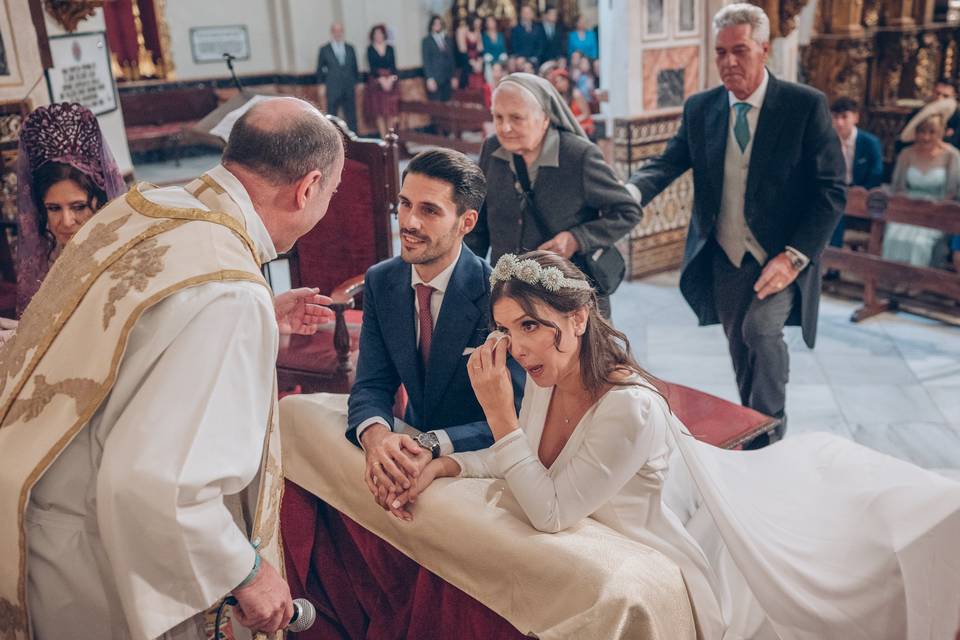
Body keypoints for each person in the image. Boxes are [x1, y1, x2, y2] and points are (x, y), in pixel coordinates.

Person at [387, 250, 960, 640]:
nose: (516, 347)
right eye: (507, 330)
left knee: (859, 560)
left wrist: (497, 413)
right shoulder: (549, 377)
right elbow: (524, 458)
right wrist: (446, 464)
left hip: (686, 549)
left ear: (580, 317)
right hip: (615, 514)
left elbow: (552, 510)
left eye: (531, 326)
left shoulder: (628, 408)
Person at [1, 97, 345, 640]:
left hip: (33, 509)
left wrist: (250, 327)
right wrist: (249, 573)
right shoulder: (228, 292)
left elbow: (117, 332)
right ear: (308, 188)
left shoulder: (145, 208)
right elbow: (157, 485)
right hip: (92, 559)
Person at [628, 4, 845, 448]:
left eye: (739, 51)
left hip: (781, 255)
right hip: (725, 255)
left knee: (760, 331)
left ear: (764, 50)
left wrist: (794, 257)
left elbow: (831, 191)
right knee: (738, 346)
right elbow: (666, 164)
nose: (728, 62)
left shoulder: (804, 106)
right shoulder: (701, 108)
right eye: (720, 52)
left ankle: (771, 432)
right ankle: (753, 428)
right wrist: (628, 193)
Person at [346, 148, 524, 515]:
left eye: (429, 210)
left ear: (467, 222)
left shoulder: (500, 295)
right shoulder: (382, 281)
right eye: (405, 204)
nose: (408, 222)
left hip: (478, 462)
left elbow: (519, 413)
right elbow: (371, 384)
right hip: (408, 445)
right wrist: (378, 441)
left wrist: (432, 445)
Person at [465, 72, 641, 318]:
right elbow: (479, 225)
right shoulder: (492, 149)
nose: (505, 128)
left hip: (569, 302)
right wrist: (467, 282)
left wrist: (576, 238)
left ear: (545, 119)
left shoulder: (578, 156)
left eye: (516, 118)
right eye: (498, 117)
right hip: (511, 300)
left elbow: (628, 211)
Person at [15, 102, 126, 315]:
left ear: (99, 202)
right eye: (54, 208)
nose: (66, 221)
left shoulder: (118, 256)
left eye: (78, 207)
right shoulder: (51, 254)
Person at [884, 101, 960, 268]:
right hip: (908, 206)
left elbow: (953, 191)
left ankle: (916, 283)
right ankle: (894, 280)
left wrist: (933, 210)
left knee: (920, 242)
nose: (926, 137)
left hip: (937, 210)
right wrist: (908, 207)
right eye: (922, 131)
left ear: (940, 132)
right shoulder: (906, 154)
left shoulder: (952, 156)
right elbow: (898, 187)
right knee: (895, 236)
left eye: (931, 132)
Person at [828, 96, 883, 249]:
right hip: (835, 191)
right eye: (835, 117)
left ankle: (837, 261)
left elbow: (876, 173)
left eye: (844, 117)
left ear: (856, 117)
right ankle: (833, 261)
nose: (839, 123)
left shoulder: (870, 142)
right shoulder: (827, 141)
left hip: (861, 192)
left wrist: (859, 192)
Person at [317, 22, 360, 133]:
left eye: (340, 31)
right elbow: (319, 69)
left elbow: (355, 68)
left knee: (351, 115)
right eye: (335, 31)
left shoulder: (350, 48)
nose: (338, 33)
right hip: (333, 87)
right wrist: (321, 85)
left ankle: (355, 141)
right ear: (332, 32)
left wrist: (356, 83)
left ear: (343, 32)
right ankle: (334, 140)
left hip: (349, 86)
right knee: (332, 115)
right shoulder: (324, 49)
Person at [364, 24, 399, 138]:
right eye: (375, 34)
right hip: (376, 83)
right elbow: (372, 68)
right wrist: (381, 80)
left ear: (384, 35)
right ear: (372, 36)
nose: (378, 36)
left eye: (380, 33)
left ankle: (391, 137)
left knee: (390, 111)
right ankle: (383, 137)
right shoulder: (370, 49)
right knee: (379, 112)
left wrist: (391, 79)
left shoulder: (390, 48)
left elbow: (394, 66)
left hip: (391, 82)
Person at [547, 67, 594, 139]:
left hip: (583, 126)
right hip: (570, 128)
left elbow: (586, 114)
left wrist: (572, 122)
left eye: (563, 80)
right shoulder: (560, 98)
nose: (561, 84)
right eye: (557, 82)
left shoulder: (576, 94)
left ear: (568, 80)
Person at [422, 14, 457, 102]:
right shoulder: (427, 41)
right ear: (431, 26)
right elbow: (426, 60)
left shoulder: (447, 40)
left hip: (447, 78)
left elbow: (452, 59)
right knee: (436, 105)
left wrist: (454, 76)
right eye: (435, 24)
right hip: (435, 79)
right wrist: (430, 78)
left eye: (439, 23)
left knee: (448, 104)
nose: (437, 26)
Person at [456, 14, 486, 91]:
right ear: (472, 21)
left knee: (482, 70)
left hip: (476, 61)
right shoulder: (461, 30)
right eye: (477, 23)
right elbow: (462, 51)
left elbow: (480, 49)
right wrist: (473, 64)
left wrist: (479, 62)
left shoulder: (477, 31)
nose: (479, 25)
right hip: (465, 61)